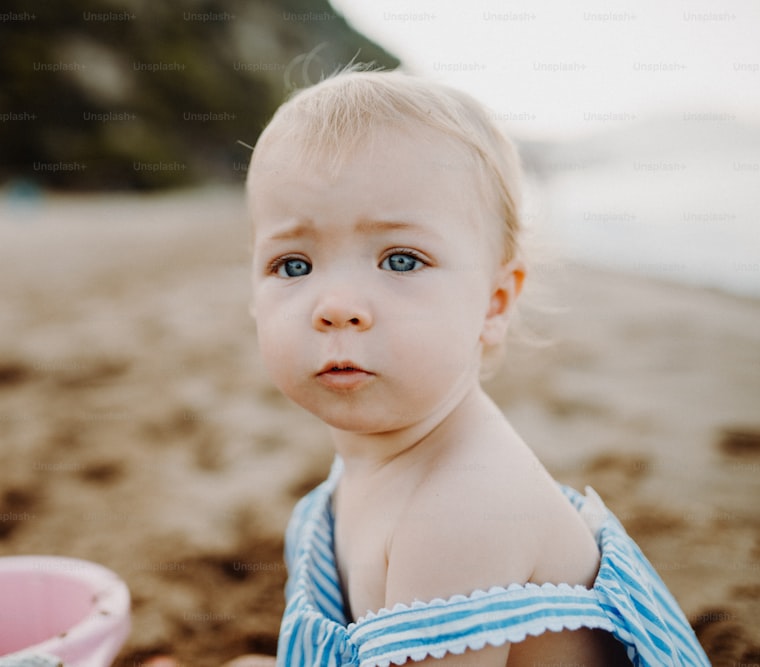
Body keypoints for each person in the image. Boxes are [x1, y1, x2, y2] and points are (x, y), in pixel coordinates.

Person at [242, 68, 709, 666]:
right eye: (294, 265)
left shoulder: (460, 510)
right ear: (253, 294)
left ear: (495, 303)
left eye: (402, 260)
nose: (337, 307)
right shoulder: (381, 460)